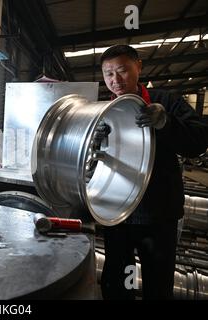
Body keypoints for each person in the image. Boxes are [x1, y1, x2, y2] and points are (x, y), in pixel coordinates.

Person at [98, 45, 208, 300]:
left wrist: (166, 122)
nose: (116, 80)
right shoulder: (104, 111)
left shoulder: (166, 101)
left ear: (139, 66)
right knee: (116, 285)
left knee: (158, 287)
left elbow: (198, 141)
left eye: (122, 71)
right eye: (108, 74)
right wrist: (97, 140)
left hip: (159, 216)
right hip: (117, 215)